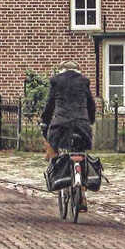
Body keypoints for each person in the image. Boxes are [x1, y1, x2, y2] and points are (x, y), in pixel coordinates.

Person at [40, 60, 96, 210]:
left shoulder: (56, 82)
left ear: (61, 71)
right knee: (81, 152)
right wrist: (90, 120)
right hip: (81, 125)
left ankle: (56, 171)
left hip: (61, 126)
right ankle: (82, 194)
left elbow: (50, 105)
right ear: (78, 71)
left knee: (52, 144)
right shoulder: (84, 82)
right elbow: (91, 104)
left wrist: (44, 121)